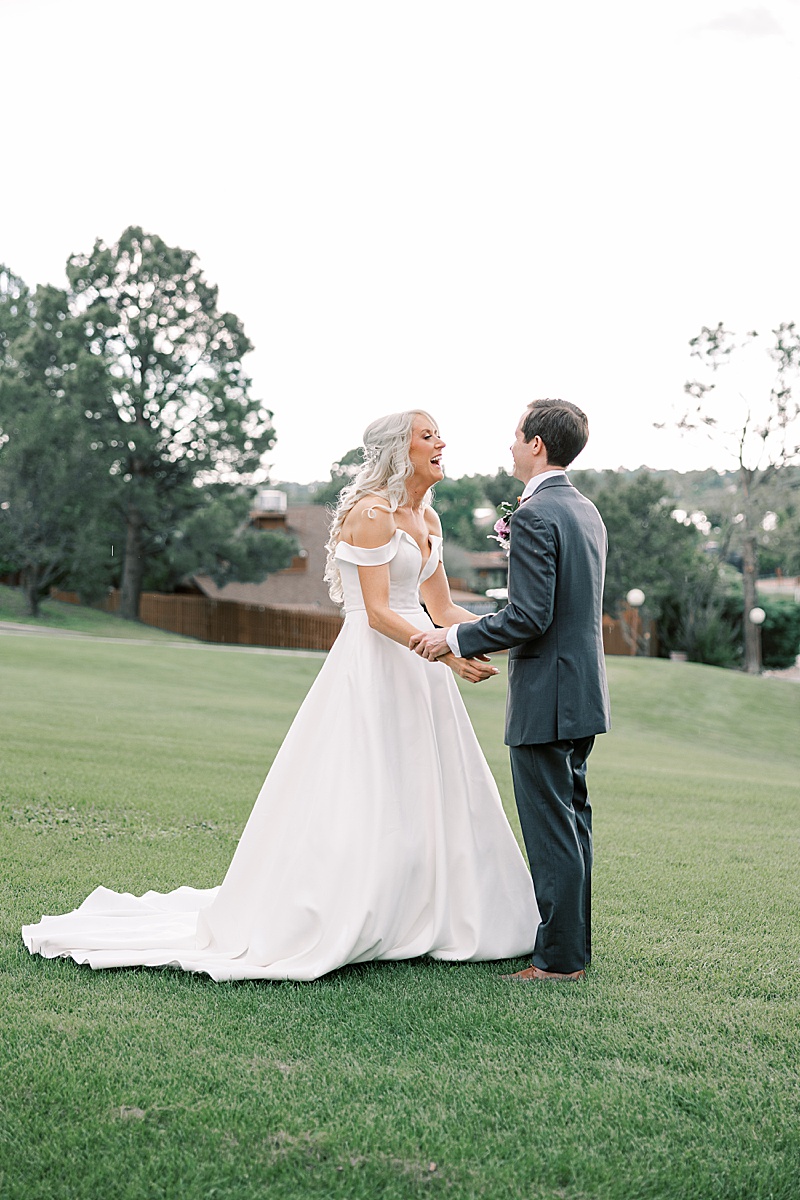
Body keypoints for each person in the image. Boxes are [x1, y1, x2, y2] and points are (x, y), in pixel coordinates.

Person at [23, 411, 539, 981]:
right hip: (379, 661)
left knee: (430, 781)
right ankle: (358, 905)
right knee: (369, 780)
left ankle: (431, 906)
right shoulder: (371, 515)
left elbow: (441, 608)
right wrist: (444, 649)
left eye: (438, 433)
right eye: (428, 435)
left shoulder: (430, 516)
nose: (442, 442)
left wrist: (508, 633)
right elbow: (375, 612)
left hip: (422, 661)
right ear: (399, 449)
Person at [411, 399, 610, 983]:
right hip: (582, 691)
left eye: (516, 436)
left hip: (547, 695)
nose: (511, 446)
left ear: (537, 446)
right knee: (572, 823)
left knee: (552, 830)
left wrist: (454, 637)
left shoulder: (535, 516)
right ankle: (572, 948)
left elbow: (528, 617)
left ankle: (557, 962)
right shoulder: (585, 511)